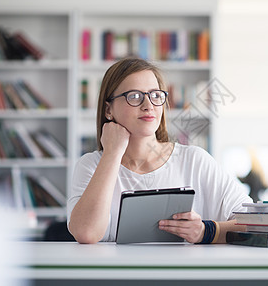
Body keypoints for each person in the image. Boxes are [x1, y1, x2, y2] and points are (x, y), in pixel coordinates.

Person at [67, 57, 252, 244]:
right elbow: (86, 233)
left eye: (155, 95)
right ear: (108, 110)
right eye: (134, 96)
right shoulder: (90, 165)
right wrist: (112, 154)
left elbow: (255, 223)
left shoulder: (195, 161)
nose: (148, 105)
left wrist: (207, 231)